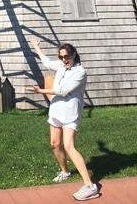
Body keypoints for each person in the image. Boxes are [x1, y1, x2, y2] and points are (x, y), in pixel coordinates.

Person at [27, 35, 99, 201]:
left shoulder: (80, 72)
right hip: (56, 110)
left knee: (69, 146)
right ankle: (65, 172)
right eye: (61, 56)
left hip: (70, 113)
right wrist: (36, 46)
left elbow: (63, 90)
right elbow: (46, 61)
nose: (63, 59)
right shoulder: (60, 66)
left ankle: (90, 185)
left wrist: (40, 91)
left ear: (74, 54)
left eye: (66, 56)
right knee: (54, 144)